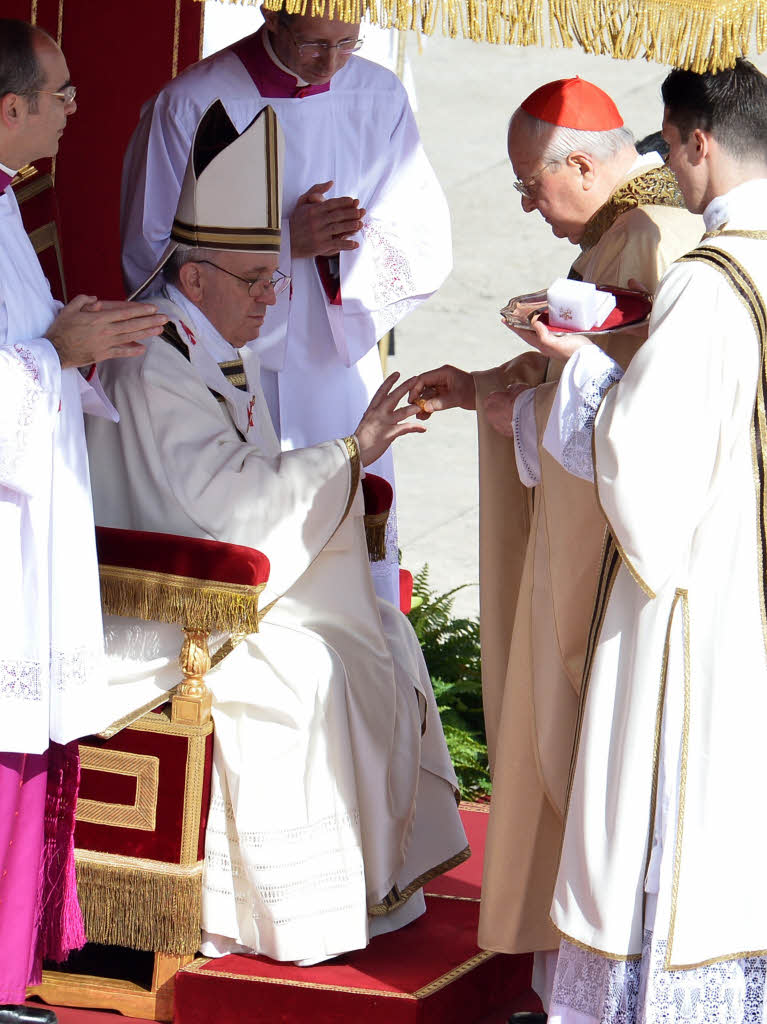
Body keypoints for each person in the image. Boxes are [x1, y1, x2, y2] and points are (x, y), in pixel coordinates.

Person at [87, 100, 468, 966]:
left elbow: (237, 498)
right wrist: (348, 453)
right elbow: (226, 506)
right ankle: (269, 910)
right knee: (308, 674)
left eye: (275, 279)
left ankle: (362, 885)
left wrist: (343, 463)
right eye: (255, 281)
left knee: (381, 634)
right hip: (164, 613)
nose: (271, 298)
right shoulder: (156, 363)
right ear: (194, 281)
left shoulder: (208, 341)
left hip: (227, 581)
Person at [407, 77, 702, 1009]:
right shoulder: (618, 233)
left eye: (530, 185)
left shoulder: (661, 240)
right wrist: (487, 385)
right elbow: (580, 367)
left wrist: (520, 411)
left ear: (582, 162)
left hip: (622, 568)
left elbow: (642, 415)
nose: (529, 207)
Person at [515, 56, 767, 1024]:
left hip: (700, 601)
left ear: (695, 141)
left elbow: (646, 469)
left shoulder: (709, 283)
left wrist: (576, 366)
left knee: (668, 815)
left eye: (666, 147)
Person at [120, 3, 451, 608]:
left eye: (347, 44)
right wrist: (282, 242)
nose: (330, 64)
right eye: (312, 45)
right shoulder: (193, 102)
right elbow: (150, 253)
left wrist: (342, 252)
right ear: (273, 20)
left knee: (347, 549)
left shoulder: (377, 94)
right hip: (231, 365)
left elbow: (421, 235)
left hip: (335, 358)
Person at [0, 19, 166, 1020]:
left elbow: (31, 349)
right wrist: (53, 353)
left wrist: (79, 345)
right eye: (58, 93)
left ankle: (12, 964)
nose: (74, 109)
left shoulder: (8, 211)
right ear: (8, 107)